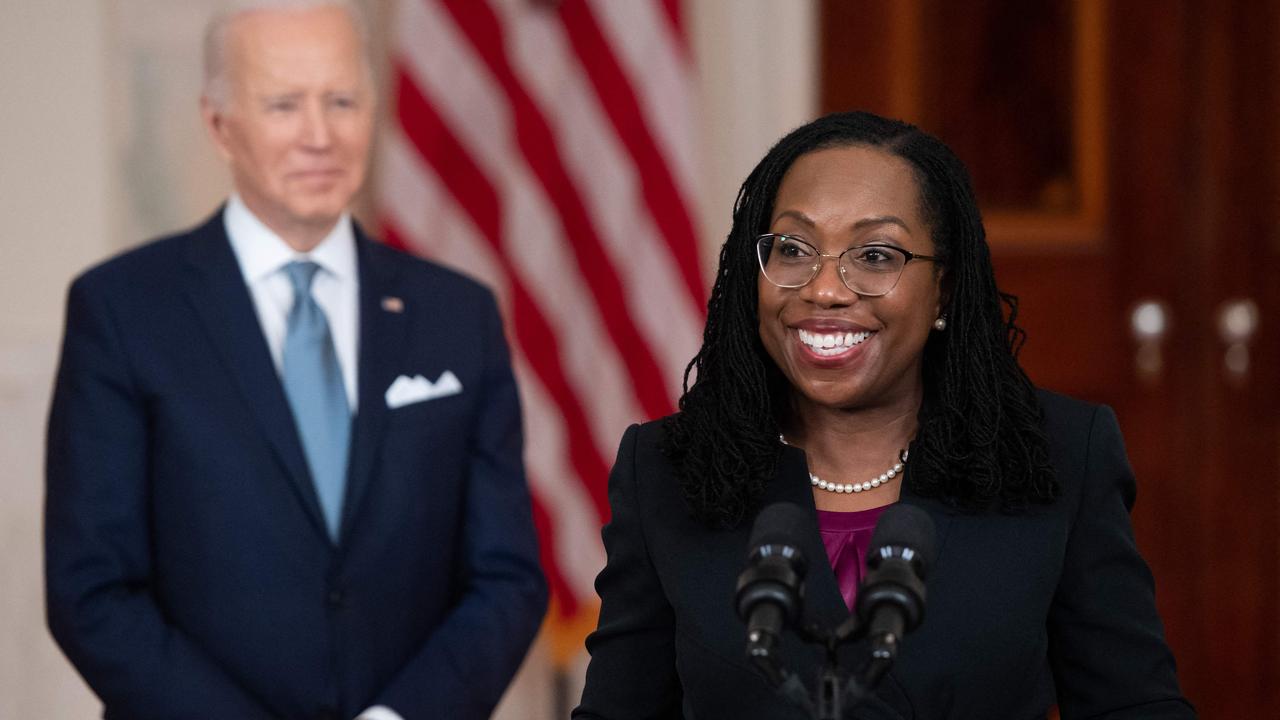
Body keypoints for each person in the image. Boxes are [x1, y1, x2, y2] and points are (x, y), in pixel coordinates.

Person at [573, 111, 1194, 718]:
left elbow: (1134, 705)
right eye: (793, 248)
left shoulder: (1059, 456)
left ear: (943, 290)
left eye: (875, 256)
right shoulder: (665, 471)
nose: (824, 288)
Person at [44, 2, 546, 719]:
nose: (320, 136)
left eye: (341, 101)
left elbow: (507, 577)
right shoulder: (122, 312)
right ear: (219, 125)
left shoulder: (457, 316)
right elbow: (92, 592)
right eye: (284, 105)